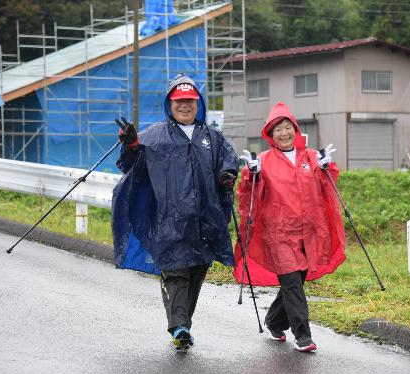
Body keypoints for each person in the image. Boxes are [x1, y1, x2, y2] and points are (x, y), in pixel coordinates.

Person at [111, 74, 239, 351]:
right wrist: (132, 146)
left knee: (196, 271)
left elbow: (227, 162)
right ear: (169, 103)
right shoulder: (154, 136)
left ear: (198, 103)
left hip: (205, 222)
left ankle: (183, 323)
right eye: (179, 101)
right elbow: (132, 168)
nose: (185, 106)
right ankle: (178, 326)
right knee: (176, 272)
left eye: (190, 101)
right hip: (168, 222)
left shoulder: (212, 137)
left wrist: (227, 175)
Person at [235, 102, 346, 352]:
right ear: (270, 136)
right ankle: (303, 335)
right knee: (293, 284)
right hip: (280, 234)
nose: (284, 133)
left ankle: (274, 321)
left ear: (295, 130)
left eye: (287, 128)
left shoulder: (310, 157)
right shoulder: (263, 161)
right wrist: (251, 174)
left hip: (310, 233)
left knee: (295, 282)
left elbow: (327, 184)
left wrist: (328, 166)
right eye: (278, 130)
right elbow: (248, 194)